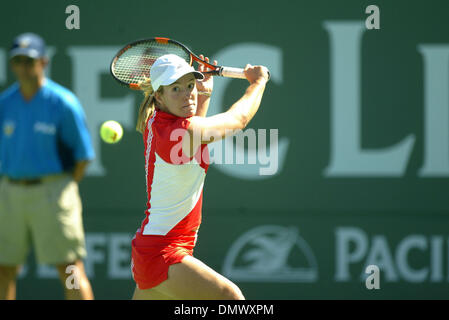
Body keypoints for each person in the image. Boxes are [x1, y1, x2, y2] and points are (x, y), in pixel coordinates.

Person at [131, 53, 269, 300]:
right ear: (158, 96)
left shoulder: (161, 121)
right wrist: (257, 83)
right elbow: (238, 119)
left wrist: (203, 95)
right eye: (176, 88)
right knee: (230, 298)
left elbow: (192, 144)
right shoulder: (178, 132)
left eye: (189, 85)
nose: (187, 94)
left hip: (156, 249)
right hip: (163, 252)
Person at [0, 33, 95, 300]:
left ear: (43, 62)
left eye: (29, 61)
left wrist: (60, 188)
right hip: (9, 194)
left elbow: (83, 156)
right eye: (18, 61)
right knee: (3, 269)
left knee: (70, 270)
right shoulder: (5, 105)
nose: (24, 67)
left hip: (53, 192)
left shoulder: (63, 103)